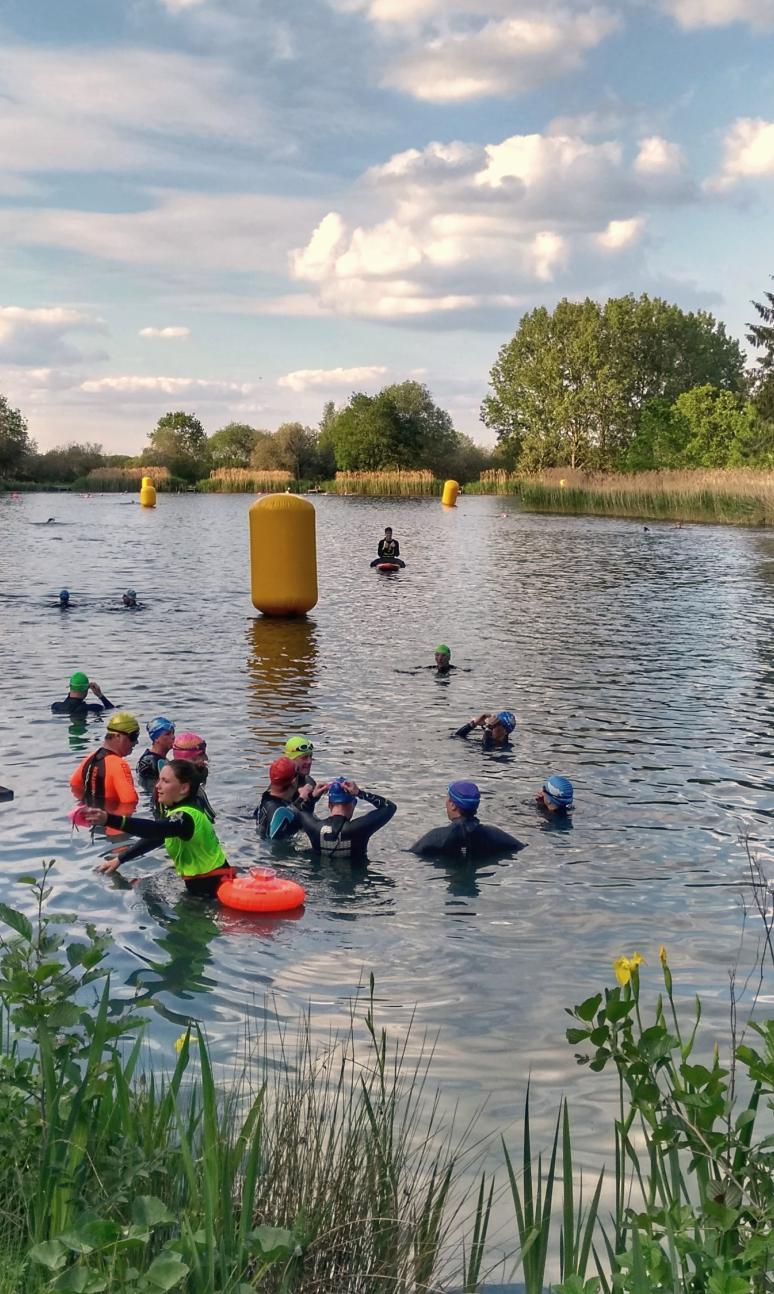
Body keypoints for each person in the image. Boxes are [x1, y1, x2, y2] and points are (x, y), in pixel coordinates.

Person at [85, 760, 235, 899]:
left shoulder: (186, 817)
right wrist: (120, 859)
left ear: (184, 788)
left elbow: (154, 830)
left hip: (212, 891)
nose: (158, 786)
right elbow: (157, 837)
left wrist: (109, 819)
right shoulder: (183, 814)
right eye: (159, 779)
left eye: (165, 781)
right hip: (208, 886)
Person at [410, 781, 525, 861]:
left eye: (447, 798)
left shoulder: (436, 837)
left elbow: (410, 856)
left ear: (452, 805)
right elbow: (521, 847)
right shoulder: (495, 835)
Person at [293, 777, 396, 863]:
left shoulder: (313, 827)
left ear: (329, 805)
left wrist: (312, 797)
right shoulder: (360, 828)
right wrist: (360, 793)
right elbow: (390, 807)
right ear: (354, 804)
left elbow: (296, 810)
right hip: (353, 880)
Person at [70, 712, 140, 822]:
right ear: (118, 736)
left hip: (94, 824)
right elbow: (130, 801)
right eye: (133, 737)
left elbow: (75, 785)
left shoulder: (90, 758)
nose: (136, 742)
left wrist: (91, 806)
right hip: (115, 826)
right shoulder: (119, 765)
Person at [255, 755, 305, 840]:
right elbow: (275, 845)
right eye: (297, 774)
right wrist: (304, 799)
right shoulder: (281, 812)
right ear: (293, 781)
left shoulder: (265, 797)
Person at [169, 731, 215, 820]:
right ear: (189, 760)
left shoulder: (192, 786)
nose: (206, 758)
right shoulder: (189, 791)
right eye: (201, 754)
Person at [284, 734, 327, 812]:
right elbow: (279, 818)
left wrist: (314, 796)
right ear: (291, 760)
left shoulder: (310, 782)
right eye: (304, 757)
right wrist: (301, 798)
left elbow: (306, 811)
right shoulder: (281, 784)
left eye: (310, 756)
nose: (309, 761)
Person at [137, 716, 176, 783]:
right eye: (167, 734)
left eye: (173, 733)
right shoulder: (150, 761)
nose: (173, 737)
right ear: (156, 738)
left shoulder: (159, 759)